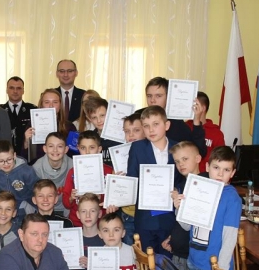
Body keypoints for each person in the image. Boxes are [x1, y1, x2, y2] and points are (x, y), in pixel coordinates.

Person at [177, 146, 241, 270]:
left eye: (226, 170)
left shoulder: (232, 198)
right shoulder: (200, 190)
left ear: (232, 173)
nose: (220, 174)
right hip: (194, 261)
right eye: (216, 167)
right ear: (207, 167)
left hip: (214, 267)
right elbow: (186, 226)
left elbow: (230, 237)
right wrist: (180, 208)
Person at [128, 106, 180, 254]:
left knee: (168, 262)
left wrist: (177, 191)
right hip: (145, 219)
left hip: (170, 218)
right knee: (146, 260)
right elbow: (132, 179)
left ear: (167, 125)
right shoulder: (137, 148)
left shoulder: (178, 147)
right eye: (146, 126)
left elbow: (184, 177)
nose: (151, 130)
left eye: (156, 124)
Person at [162, 141, 204, 270]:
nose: (181, 164)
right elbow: (181, 222)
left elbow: (191, 224)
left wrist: (179, 207)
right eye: (177, 161)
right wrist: (173, 237)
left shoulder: (204, 185)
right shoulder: (181, 184)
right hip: (178, 252)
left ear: (198, 159)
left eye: (185, 159)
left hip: (192, 256)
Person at [139, 77, 207, 158]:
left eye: (158, 96)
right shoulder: (138, 116)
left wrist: (196, 121)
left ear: (168, 97)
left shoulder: (177, 124)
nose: (152, 100)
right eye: (149, 96)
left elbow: (199, 152)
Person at [62, 131, 114, 227]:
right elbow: (66, 203)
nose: (87, 152)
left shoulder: (109, 171)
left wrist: (101, 198)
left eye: (92, 147)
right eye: (83, 148)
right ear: (78, 148)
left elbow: (113, 202)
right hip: (76, 222)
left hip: (101, 223)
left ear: (99, 149)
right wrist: (71, 198)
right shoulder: (73, 172)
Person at [0, 140, 38, 222]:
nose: (6, 164)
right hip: (3, 209)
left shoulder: (26, 171)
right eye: (1, 161)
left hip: (23, 208)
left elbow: (37, 190)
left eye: (9, 159)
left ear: (14, 155)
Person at [24, 88, 77, 164]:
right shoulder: (32, 125)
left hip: (63, 167)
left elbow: (74, 155)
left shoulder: (69, 127)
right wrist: (26, 142)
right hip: (38, 167)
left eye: (55, 102)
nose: (51, 105)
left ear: (60, 105)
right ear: (41, 105)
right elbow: (25, 158)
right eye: (47, 102)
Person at [119, 113, 145, 244]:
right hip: (128, 213)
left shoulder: (149, 154)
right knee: (130, 249)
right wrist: (116, 180)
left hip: (145, 214)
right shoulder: (119, 156)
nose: (131, 135)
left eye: (136, 130)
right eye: (127, 131)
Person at [32, 132, 73, 217]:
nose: (55, 150)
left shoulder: (73, 166)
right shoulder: (37, 168)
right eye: (51, 146)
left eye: (60, 146)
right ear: (45, 148)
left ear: (66, 149)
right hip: (43, 207)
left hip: (66, 208)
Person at [186, 91, 226, 173]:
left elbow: (221, 159)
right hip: (186, 174)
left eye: (194, 106)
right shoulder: (185, 127)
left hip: (207, 175)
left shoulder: (216, 133)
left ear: (203, 108)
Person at [0, 77, 36, 157]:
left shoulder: (33, 110)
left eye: (19, 88)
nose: (15, 91)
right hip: (5, 156)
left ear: (23, 91)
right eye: (11, 88)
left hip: (27, 155)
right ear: (6, 90)